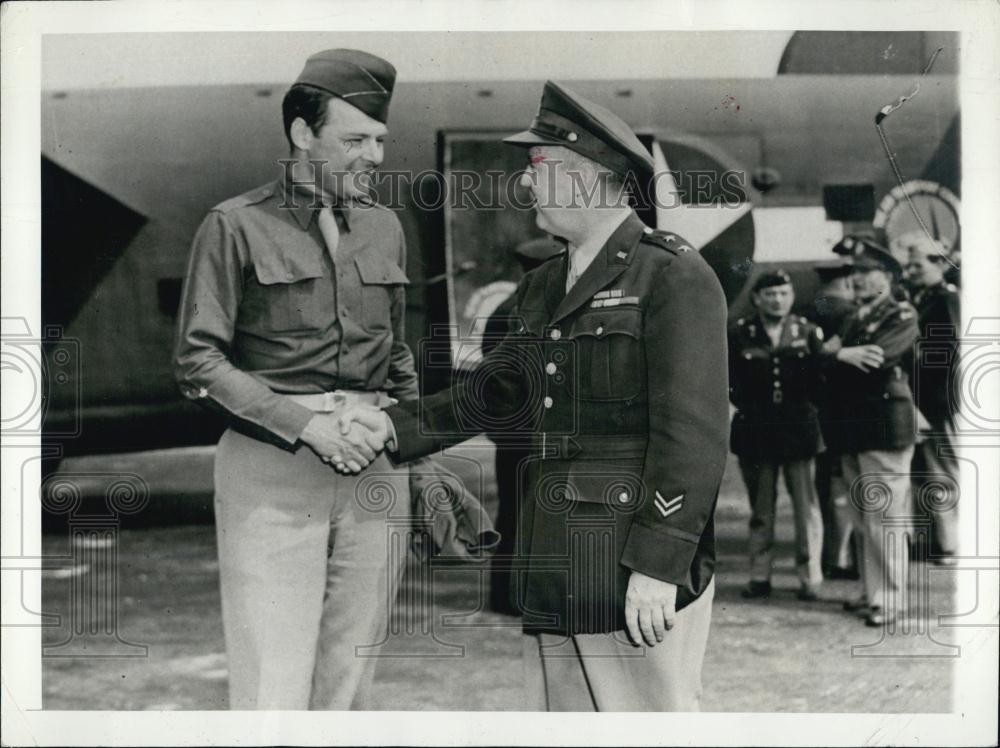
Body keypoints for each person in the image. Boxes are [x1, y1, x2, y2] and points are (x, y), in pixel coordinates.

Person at [339, 80, 730, 712]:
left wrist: (659, 566)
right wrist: (391, 427)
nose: (526, 186)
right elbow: (500, 392)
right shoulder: (544, 284)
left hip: (630, 568)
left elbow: (695, 433)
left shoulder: (673, 275)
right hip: (558, 559)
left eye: (540, 169)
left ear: (591, 180)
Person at [173, 49, 418, 709]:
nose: (373, 155)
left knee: (351, 674)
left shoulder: (386, 226)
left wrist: (414, 446)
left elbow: (396, 353)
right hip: (274, 464)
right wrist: (308, 426)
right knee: (274, 675)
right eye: (354, 139)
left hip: (374, 464)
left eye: (379, 140)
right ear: (303, 135)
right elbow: (198, 360)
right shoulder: (235, 225)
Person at [823, 244, 919, 627]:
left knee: (884, 516)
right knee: (864, 516)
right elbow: (833, 360)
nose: (857, 277)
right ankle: (872, 591)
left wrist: (837, 353)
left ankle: (890, 599)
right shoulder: (857, 317)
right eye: (854, 270)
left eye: (867, 270)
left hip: (883, 427)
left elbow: (878, 357)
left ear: (889, 277)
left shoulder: (900, 313)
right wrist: (840, 355)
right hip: (856, 427)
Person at [728, 270, 825, 601]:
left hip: (799, 428)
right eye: (770, 294)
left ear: (792, 296)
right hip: (756, 430)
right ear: (757, 298)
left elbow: (819, 379)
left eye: (783, 293)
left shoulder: (807, 331)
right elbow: (732, 381)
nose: (777, 300)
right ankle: (759, 575)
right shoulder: (741, 333)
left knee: (805, 508)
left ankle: (809, 577)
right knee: (761, 509)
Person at [482, 237, 564, 615]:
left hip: (510, 433)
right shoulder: (538, 309)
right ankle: (523, 595)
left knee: (511, 511)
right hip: (535, 430)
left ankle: (502, 594)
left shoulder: (503, 309)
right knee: (533, 512)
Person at [904, 234, 961, 565]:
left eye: (919, 263)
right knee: (921, 474)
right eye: (908, 264)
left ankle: (949, 543)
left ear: (940, 264)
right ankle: (927, 540)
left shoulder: (946, 300)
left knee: (942, 472)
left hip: (940, 401)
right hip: (920, 399)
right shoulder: (919, 297)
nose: (911, 270)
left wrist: (911, 354)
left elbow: (950, 352)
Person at [810, 259, 859, 580]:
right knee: (844, 485)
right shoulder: (850, 315)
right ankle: (840, 558)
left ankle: (827, 555)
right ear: (846, 283)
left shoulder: (807, 310)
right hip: (845, 410)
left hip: (814, 410)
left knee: (823, 486)